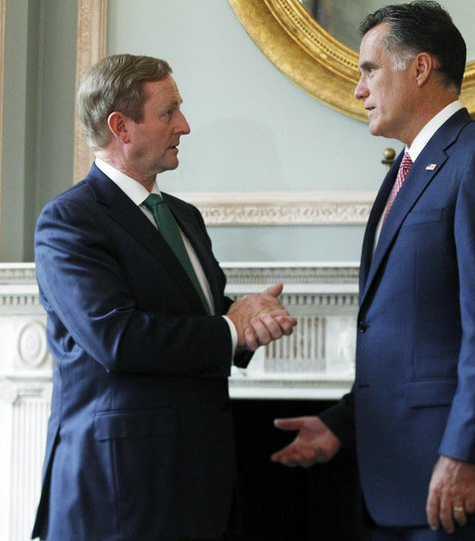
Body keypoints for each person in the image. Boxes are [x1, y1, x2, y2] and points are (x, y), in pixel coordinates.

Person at [271, 2, 475, 539]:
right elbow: (418, 334)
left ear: (419, 69)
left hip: (458, 489)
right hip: (399, 482)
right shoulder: (407, 168)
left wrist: (463, 454)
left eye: (369, 69)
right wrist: (340, 424)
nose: (359, 89)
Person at [31, 53, 296, 541]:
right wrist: (231, 327)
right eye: (168, 112)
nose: (185, 126)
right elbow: (117, 338)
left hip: (197, 478)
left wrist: (249, 324)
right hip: (118, 487)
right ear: (121, 127)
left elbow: (197, 316)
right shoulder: (70, 221)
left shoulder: (183, 216)